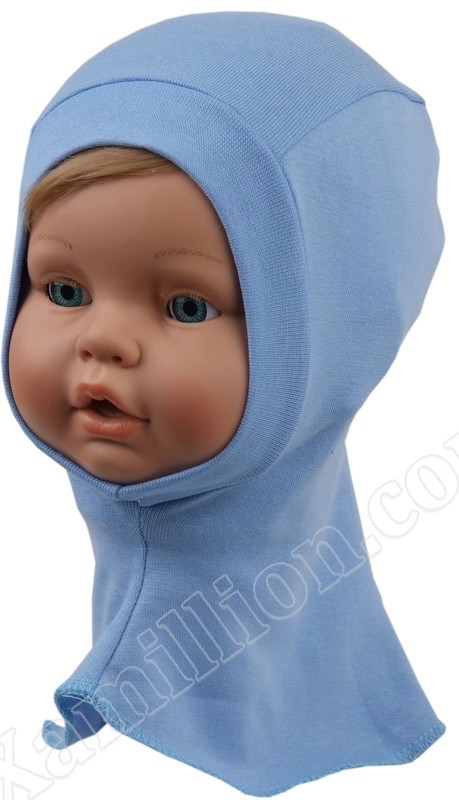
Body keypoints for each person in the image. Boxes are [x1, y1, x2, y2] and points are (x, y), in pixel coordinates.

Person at [2, 11, 445, 796]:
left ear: (333, 329)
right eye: (64, 290)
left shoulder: (127, 774)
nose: (103, 340)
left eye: (186, 306)